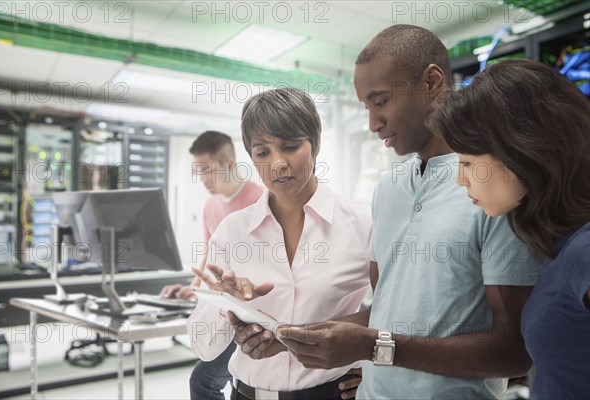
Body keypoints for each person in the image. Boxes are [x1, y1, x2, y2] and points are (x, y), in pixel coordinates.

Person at [267, 25, 543, 399]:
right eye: (366, 107)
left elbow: (514, 351)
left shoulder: (496, 189)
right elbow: (384, 314)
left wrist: (375, 347)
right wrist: (293, 336)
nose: (372, 124)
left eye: (380, 102)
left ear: (431, 82)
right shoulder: (388, 190)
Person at [187, 87, 372, 400]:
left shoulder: (362, 225)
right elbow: (203, 347)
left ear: (316, 144)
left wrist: (375, 371)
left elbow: (396, 316)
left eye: (290, 146)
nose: (278, 164)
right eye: (263, 152)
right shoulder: (233, 231)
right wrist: (225, 305)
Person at [428, 58, 590, 399]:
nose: (460, 179)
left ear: (521, 150)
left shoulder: (583, 249)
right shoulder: (557, 245)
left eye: (468, 162)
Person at [161, 130, 264, 400]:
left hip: (249, 311)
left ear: (228, 165)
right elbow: (210, 252)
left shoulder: (259, 199)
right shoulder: (210, 206)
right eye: (199, 171)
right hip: (221, 307)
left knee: (203, 381)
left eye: (207, 170)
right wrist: (193, 288)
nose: (202, 179)